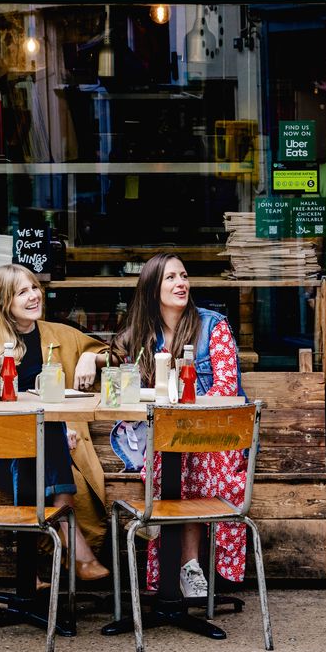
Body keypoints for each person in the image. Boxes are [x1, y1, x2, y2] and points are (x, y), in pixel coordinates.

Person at [0, 264, 110, 586]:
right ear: (3, 302)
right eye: (22, 291)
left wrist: (91, 358)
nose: (33, 296)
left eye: (34, 287)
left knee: (44, 431)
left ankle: (30, 578)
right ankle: (75, 547)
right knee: (47, 427)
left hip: (39, 449)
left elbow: (116, 356)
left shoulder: (57, 335)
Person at [114, 252, 245, 599]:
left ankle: (187, 567)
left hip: (214, 434)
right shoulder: (141, 336)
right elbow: (126, 388)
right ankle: (177, 567)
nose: (181, 283)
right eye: (171, 277)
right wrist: (90, 356)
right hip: (162, 438)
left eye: (184, 276)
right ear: (152, 287)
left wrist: (188, 425)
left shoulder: (213, 326)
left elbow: (226, 389)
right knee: (168, 461)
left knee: (193, 464)